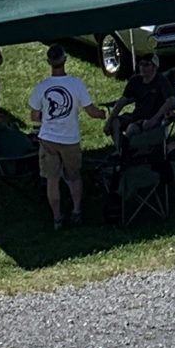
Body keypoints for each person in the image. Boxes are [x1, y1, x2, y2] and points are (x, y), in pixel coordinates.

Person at [30, 43, 107, 230]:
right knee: (74, 177)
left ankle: (57, 218)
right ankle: (76, 211)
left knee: (52, 179)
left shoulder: (42, 86)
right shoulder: (76, 84)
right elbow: (90, 111)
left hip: (48, 139)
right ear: (65, 60)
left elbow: (34, 116)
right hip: (70, 139)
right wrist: (103, 114)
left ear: (49, 62)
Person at [112, 50, 175, 144]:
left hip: (151, 118)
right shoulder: (135, 80)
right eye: (140, 64)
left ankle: (127, 152)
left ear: (155, 67)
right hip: (136, 116)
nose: (142, 67)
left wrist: (153, 120)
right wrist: (109, 121)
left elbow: (172, 102)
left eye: (146, 64)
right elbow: (123, 100)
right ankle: (120, 152)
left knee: (132, 128)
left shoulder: (161, 81)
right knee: (114, 123)